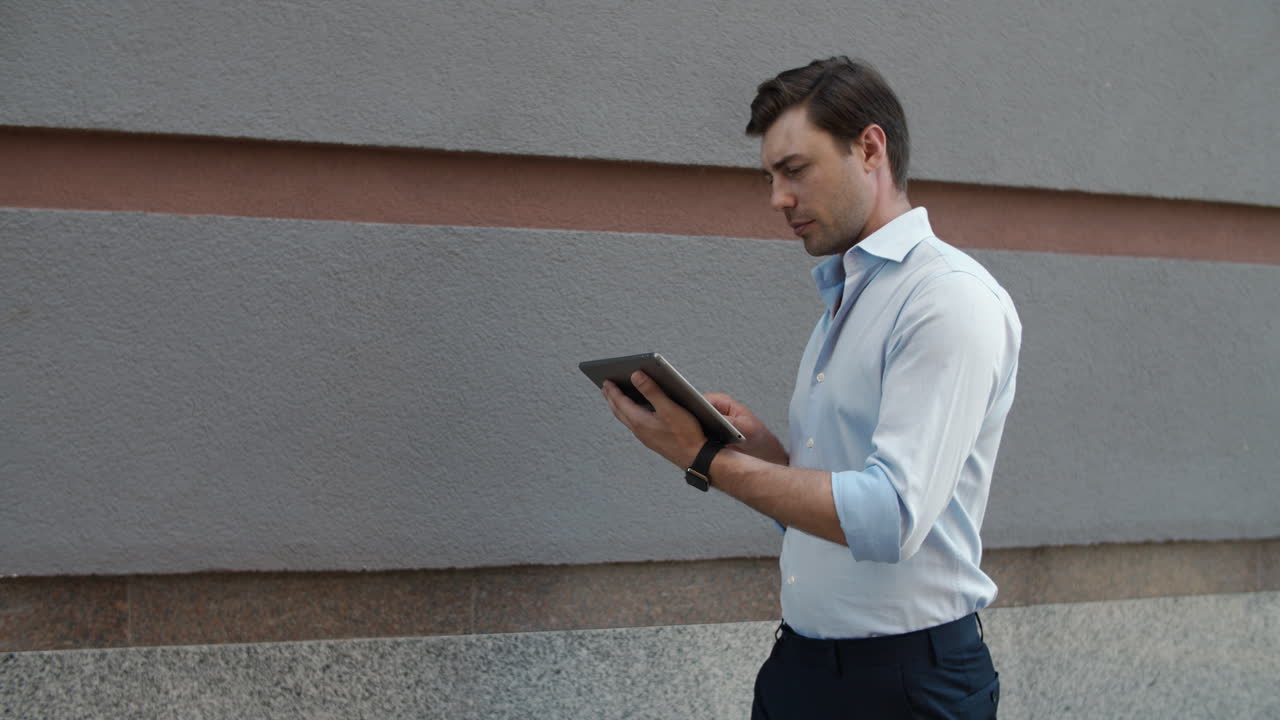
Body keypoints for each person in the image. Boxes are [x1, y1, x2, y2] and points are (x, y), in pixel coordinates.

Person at [599, 56, 1021, 719]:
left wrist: (707, 458)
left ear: (870, 149)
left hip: (905, 686)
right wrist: (761, 451)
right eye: (769, 177)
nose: (777, 198)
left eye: (794, 170)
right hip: (803, 667)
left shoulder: (945, 299)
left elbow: (889, 516)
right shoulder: (848, 297)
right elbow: (833, 503)